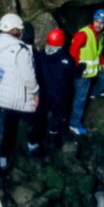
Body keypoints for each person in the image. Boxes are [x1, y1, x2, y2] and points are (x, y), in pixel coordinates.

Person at [0, 12, 38, 173]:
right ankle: (32, 145)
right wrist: (35, 92)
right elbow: (28, 77)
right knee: (33, 119)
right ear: (15, 30)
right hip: (16, 97)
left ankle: (2, 161)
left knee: (3, 129)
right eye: (20, 30)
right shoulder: (20, 50)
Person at [29, 27, 76, 155]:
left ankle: (33, 143)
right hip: (59, 94)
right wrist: (81, 66)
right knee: (59, 116)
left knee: (40, 117)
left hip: (43, 93)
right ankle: (55, 138)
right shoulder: (65, 58)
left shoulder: (41, 55)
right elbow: (74, 72)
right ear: (62, 42)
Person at [69, 9, 104, 135]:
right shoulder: (83, 34)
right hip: (83, 73)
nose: (98, 24)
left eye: (102, 22)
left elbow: (97, 53)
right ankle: (74, 124)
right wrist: (78, 67)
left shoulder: (101, 35)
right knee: (80, 99)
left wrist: (103, 62)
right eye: (97, 21)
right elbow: (73, 51)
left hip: (94, 69)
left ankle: (94, 92)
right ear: (93, 20)